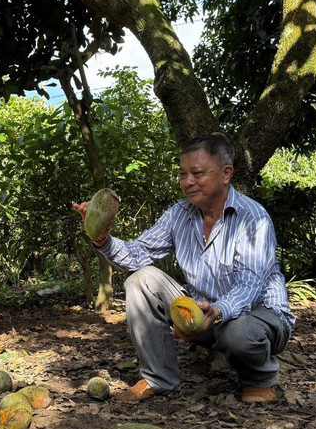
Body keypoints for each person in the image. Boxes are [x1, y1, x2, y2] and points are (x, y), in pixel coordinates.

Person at [73, 133, 293, 403]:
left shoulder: (253, 218)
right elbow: (138, 254)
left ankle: (259, 380)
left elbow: (249, 287)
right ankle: (159, 378)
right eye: (182, 174)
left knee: (239, 331)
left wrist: (218, 311)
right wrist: (101, 237)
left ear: (226, 174)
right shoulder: (179, 213)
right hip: (202, 314)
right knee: (140, 280)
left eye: (197, 173)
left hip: (256, 317)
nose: (187, 182)